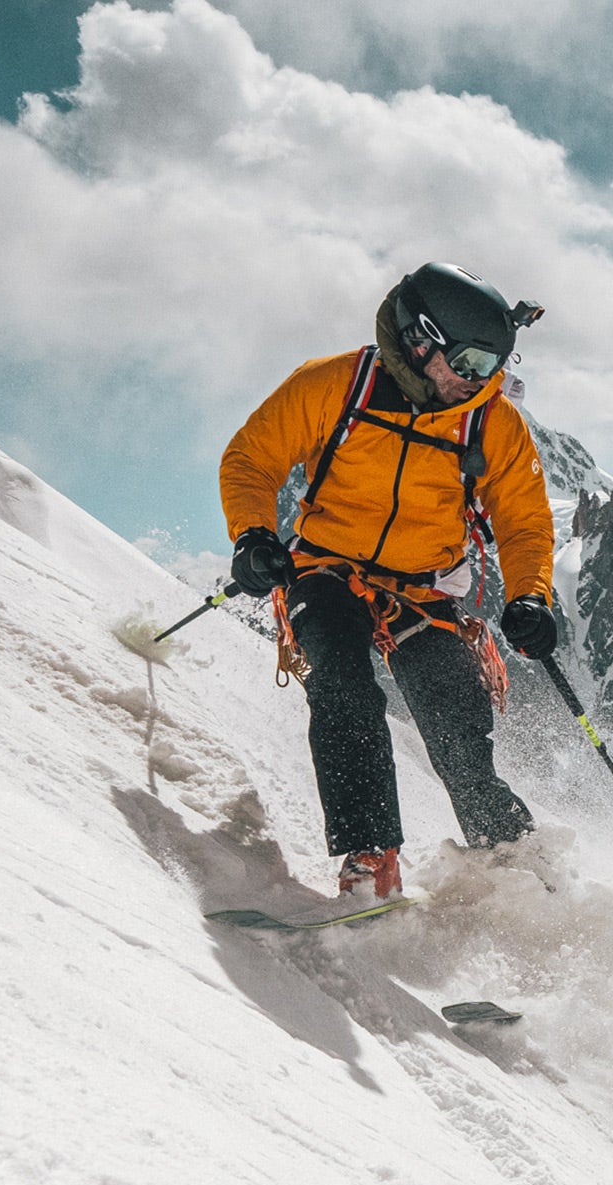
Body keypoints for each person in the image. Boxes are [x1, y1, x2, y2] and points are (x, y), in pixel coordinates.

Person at [218, 262, 562, 901]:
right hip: (326, 568)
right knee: (345, 691)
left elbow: (523, 519)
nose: (478, 381)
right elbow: (253, 458)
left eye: (492, 367)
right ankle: (371, 859)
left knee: (456, 723)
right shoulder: (335, 386)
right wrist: (254, 535)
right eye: (469, 363)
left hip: (423, 588)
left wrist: (532, 594)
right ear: (419, 338)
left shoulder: (491, 423)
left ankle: (515, 871)